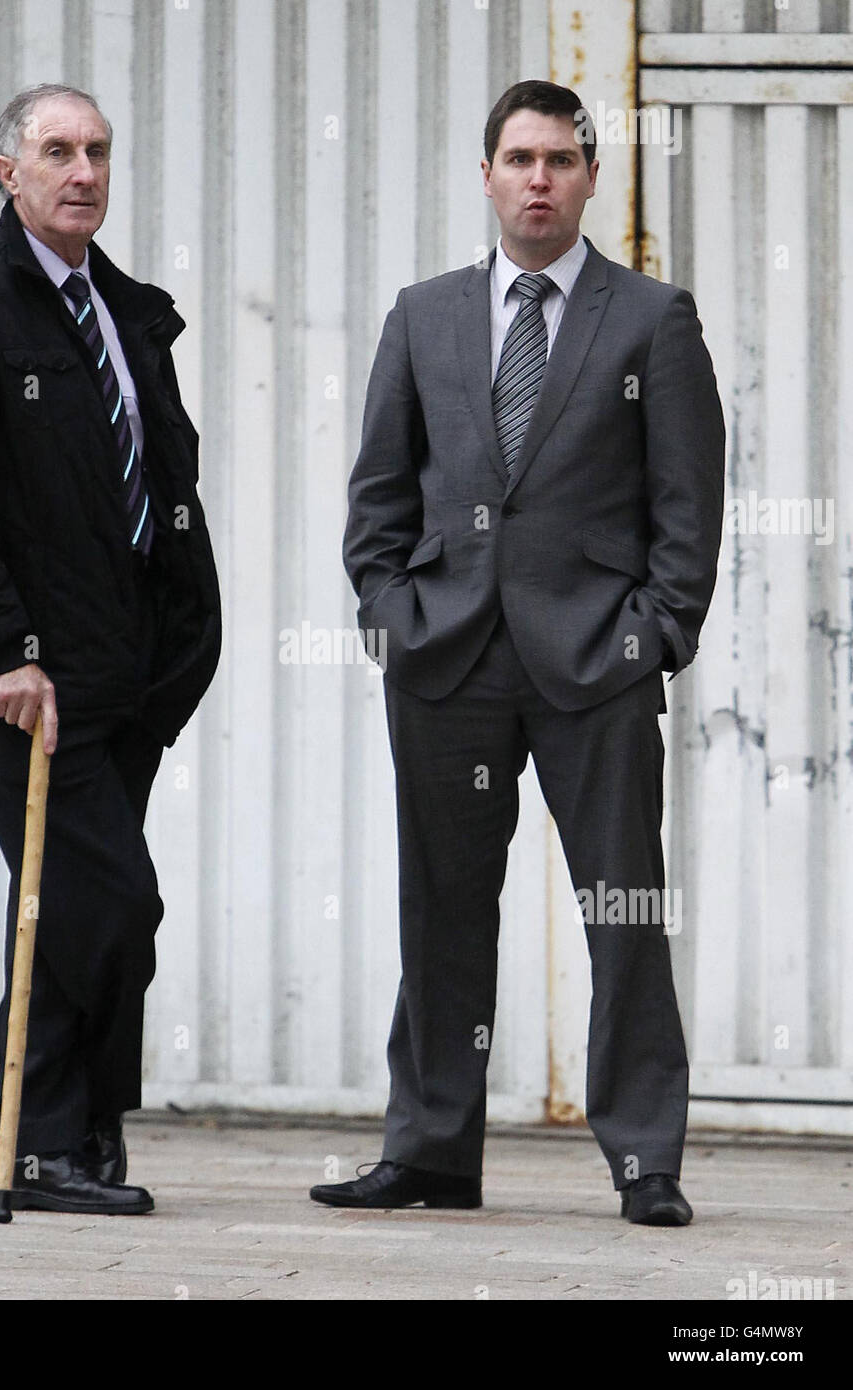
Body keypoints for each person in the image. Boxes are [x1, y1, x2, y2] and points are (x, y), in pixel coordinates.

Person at [311, 80, 724, 1224]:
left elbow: (689, 503)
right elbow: (378, 496)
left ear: (591, 177)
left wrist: (657, 632)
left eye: (559, 160)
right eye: (518, 158)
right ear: (485, 176)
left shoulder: (651, 318)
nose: (538, 178)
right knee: (439, 908)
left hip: (597, 662)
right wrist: (391, 612)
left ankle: (646, 1154)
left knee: (623, 908)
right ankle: (433, 1148)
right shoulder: (424, 314)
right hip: (446, 659)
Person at [0, 83, 221, 1215]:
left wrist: (183, 640)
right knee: (105, 902)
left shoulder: (126, 313)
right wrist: (2, 654)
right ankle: (34, 1146)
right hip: (28, 679)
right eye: (57, 152)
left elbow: (163, 481)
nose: (82, 172)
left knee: (73, 904)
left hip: (129, 671)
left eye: (99, 152)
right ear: (6, 171)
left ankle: (64, 1141)